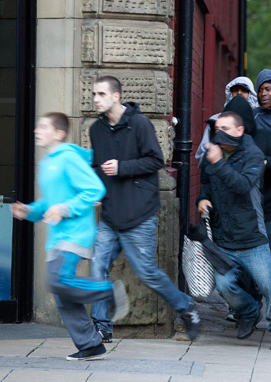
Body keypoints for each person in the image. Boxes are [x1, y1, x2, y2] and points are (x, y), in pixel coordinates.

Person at [89, 76, 200, 343]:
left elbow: (156, 161)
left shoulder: (139, 124)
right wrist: (96, 190)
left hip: (138, 214)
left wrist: (122, 168)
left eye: (101, 94)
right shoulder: (96, 129)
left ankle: (187, 308)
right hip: (111, 215)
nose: (95, 99)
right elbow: (98, 166)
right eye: (94, 94)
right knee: (97, 267)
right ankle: (102, 326)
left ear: (116, 96)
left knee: (148, 273)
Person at [11, 112, 129, 361]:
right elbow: (49, 203)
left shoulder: (68, 158)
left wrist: (64, 208)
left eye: (43, 126)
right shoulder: (47, 163)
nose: (36, 131)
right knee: (63, 295)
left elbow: (94, 188)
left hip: (76, 233)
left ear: (59, 133)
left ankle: (108, 292)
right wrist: (29, 211)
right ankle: (90, 344)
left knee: (58, 280)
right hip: (56, 237)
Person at [197, 111, 271, 350]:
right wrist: (203, 198)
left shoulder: (254, 155)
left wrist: (218, 162)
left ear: (240, 131)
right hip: (223, 237)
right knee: (225, 286)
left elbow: (241, 185)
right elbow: (207, 184)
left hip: (252, 238)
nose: (220, 133)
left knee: (269, 286)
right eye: (218, 128)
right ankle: (249, 311)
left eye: (226, 128)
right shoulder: (213, 154)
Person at [221, 95, 271, 343]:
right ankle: (248, 313)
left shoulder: (266, 139)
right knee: (239, 271)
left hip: (268, 213)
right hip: (237, 219)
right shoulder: (221, 144)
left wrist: (267, 162)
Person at [195, 76, 258, 168]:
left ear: (250, 94)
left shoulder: (257, 119)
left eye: (244, 90)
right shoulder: (215, 120)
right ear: (230, 93)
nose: (239, 93)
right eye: (235, 90)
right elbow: (201, 155)